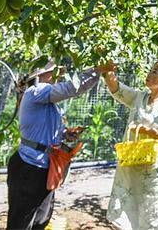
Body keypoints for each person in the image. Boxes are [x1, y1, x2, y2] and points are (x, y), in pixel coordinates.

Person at [7, 59, 116, 230]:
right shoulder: (36, 91)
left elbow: (44, 128)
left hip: (44, 168)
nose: (58, 76)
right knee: (20, 224)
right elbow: (71, 89)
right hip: (29, 168)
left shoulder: (49, 103)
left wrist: (65, 133)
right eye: (54, 72)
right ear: (41, 75)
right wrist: (97, 70)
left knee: (40, 220)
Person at [104, 61, 158, 230]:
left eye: (155, 71)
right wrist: (107, 70)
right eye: (150, 70)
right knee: (126, 216)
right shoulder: (139, 97)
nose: (149, 74)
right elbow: (117, 89)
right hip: (131, 168)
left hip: (154, 173)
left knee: (153, 217)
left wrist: (151, 132)